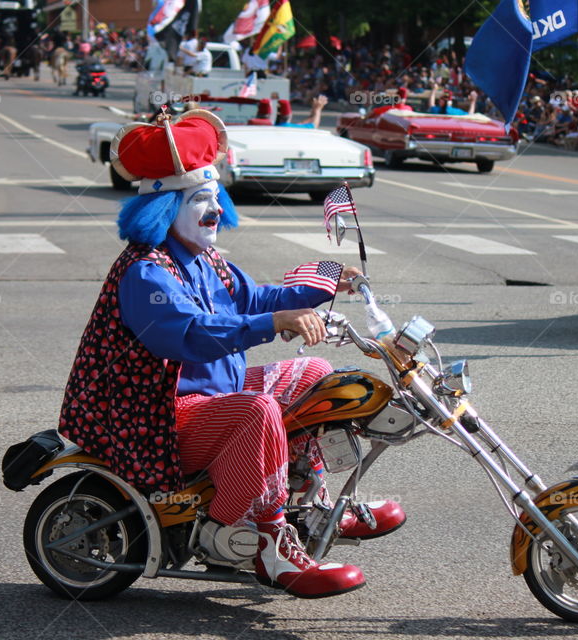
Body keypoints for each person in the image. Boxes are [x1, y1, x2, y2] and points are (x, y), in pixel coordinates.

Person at [57, 109, 405, 599]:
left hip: (212, 394)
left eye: (216, 197)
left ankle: (315, 503)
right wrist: (271, 324)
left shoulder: (205, 258)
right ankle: (266, 541)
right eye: (201, 200)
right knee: (258, 412)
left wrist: (318, 285)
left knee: (317, 374)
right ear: (164, 208)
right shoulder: (145, 273)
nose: (216, 210)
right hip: (153, 416)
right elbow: (187, 334)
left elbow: (251, 300)